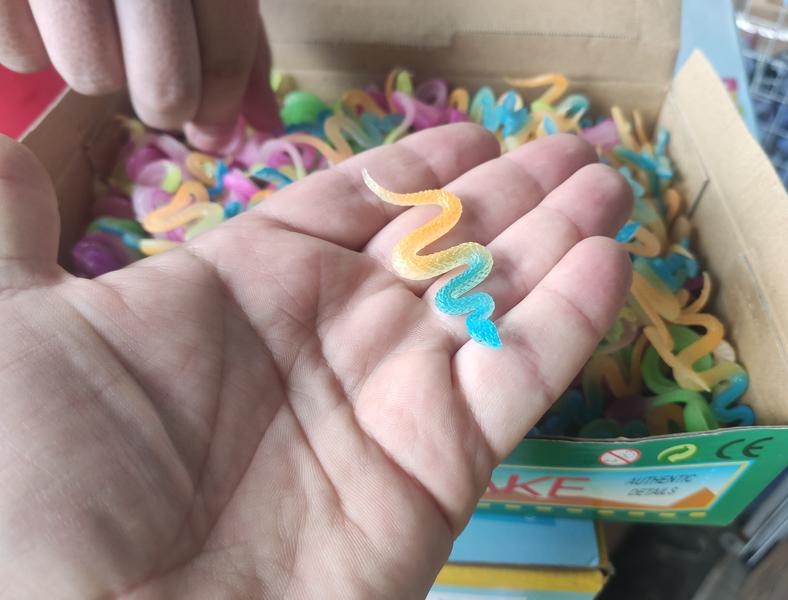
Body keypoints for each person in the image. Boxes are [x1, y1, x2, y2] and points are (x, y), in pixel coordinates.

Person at [0, 3, 633, 598]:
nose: (484, 327)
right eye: (484, 325)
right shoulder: (458, 292)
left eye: (483, 327)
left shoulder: (466, 290)